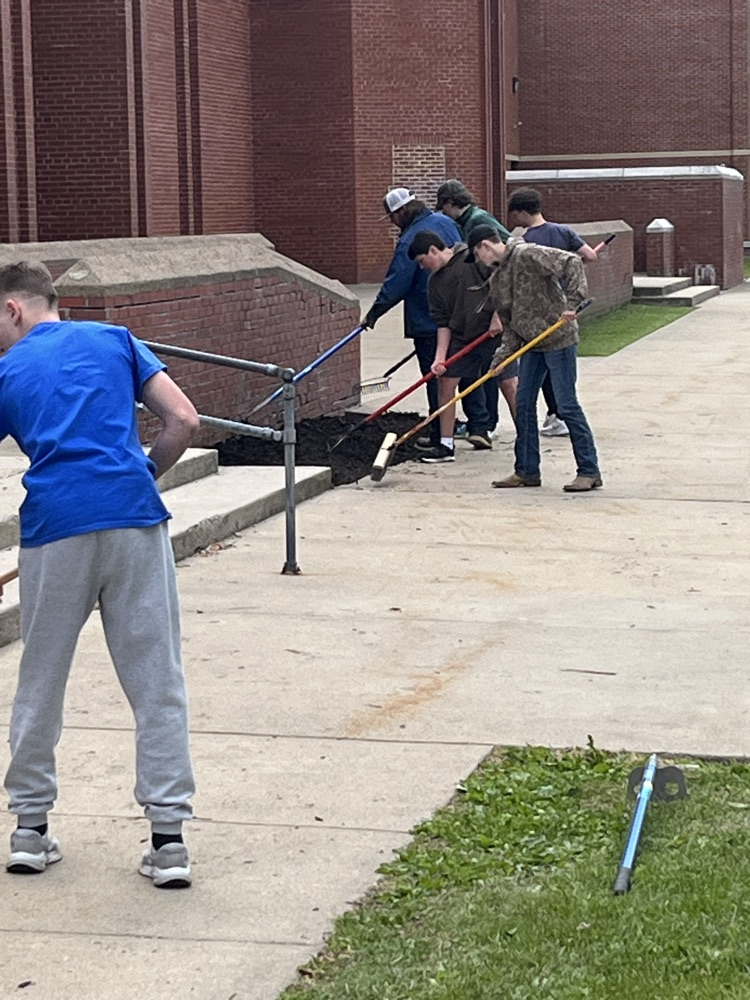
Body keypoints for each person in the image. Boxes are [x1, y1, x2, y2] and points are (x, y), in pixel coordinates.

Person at [0, 260, 200, 887]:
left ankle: (30, 830)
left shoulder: (7, 368)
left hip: (54, 527)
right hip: (134, 520)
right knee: (157, 680)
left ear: (14, 309)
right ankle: (168, 841)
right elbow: (184, 421)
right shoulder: (117, 340)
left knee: (41, 677)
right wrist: (140, 477)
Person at [465, 225, 602, 492]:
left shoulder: (527, 253)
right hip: (531, 345)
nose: (479, 261)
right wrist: (500, 360)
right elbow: (510, 325)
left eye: (477, 254)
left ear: (485, 246)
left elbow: (572, 262)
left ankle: (589, 470)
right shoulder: (498, 279)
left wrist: (572, 304)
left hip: (558, 338)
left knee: (566, 404)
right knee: (524, 404)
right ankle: (527, 470)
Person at [363, 188, 460, 448]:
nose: (393, 224)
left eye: (392, 218)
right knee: (463, 373)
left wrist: (374, 313)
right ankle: (480, 426)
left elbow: (398, 282)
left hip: (428, 318)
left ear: (400, 212)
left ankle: (441, 432)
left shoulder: (409, 240)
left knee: (435, 377)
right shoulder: (446, 222)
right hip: (459, 315)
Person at [506, 186, 599, 439]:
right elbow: (589, 256)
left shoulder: (525, 242)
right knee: (561, 365)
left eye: (515, 215)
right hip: (565, 307)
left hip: (540, 308)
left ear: (524, 212)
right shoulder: (563, 231)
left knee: (541, 364)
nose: (515, 221)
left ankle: (556, 414)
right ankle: (558, 414)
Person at [406, 230, 502, 463]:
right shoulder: (434, 283)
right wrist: (439, 358)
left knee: (509, 383)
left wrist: (498, 316)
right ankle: (446, 445)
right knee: (446, 382)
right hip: (462, 337)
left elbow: (502, 283)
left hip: (493, 335)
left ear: (433, 250)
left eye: (422, 261)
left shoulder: (472, 258)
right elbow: (442, 323)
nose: (422, 267)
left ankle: (526, 439)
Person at [435, 180, 516, 438]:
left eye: (444, 208)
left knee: (504, 378)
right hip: (475, 319)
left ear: (450, 203)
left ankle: (491, 425)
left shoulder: (477, 222)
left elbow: (502, 271)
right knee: (486, 375)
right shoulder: (469, 220)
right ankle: (481, 425)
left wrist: (497, 313)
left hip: (494, 316)